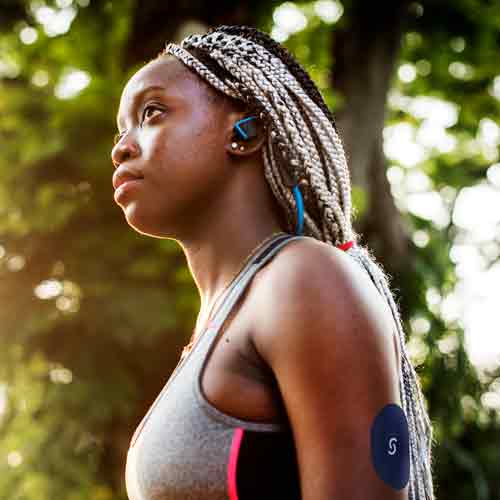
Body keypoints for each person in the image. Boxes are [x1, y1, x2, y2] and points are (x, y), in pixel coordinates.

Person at [111, 24, 436, 500]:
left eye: (152, 113)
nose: (121, 147)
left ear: (247, 132)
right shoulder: (218, 323)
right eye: (121, 130)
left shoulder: (302, 277)